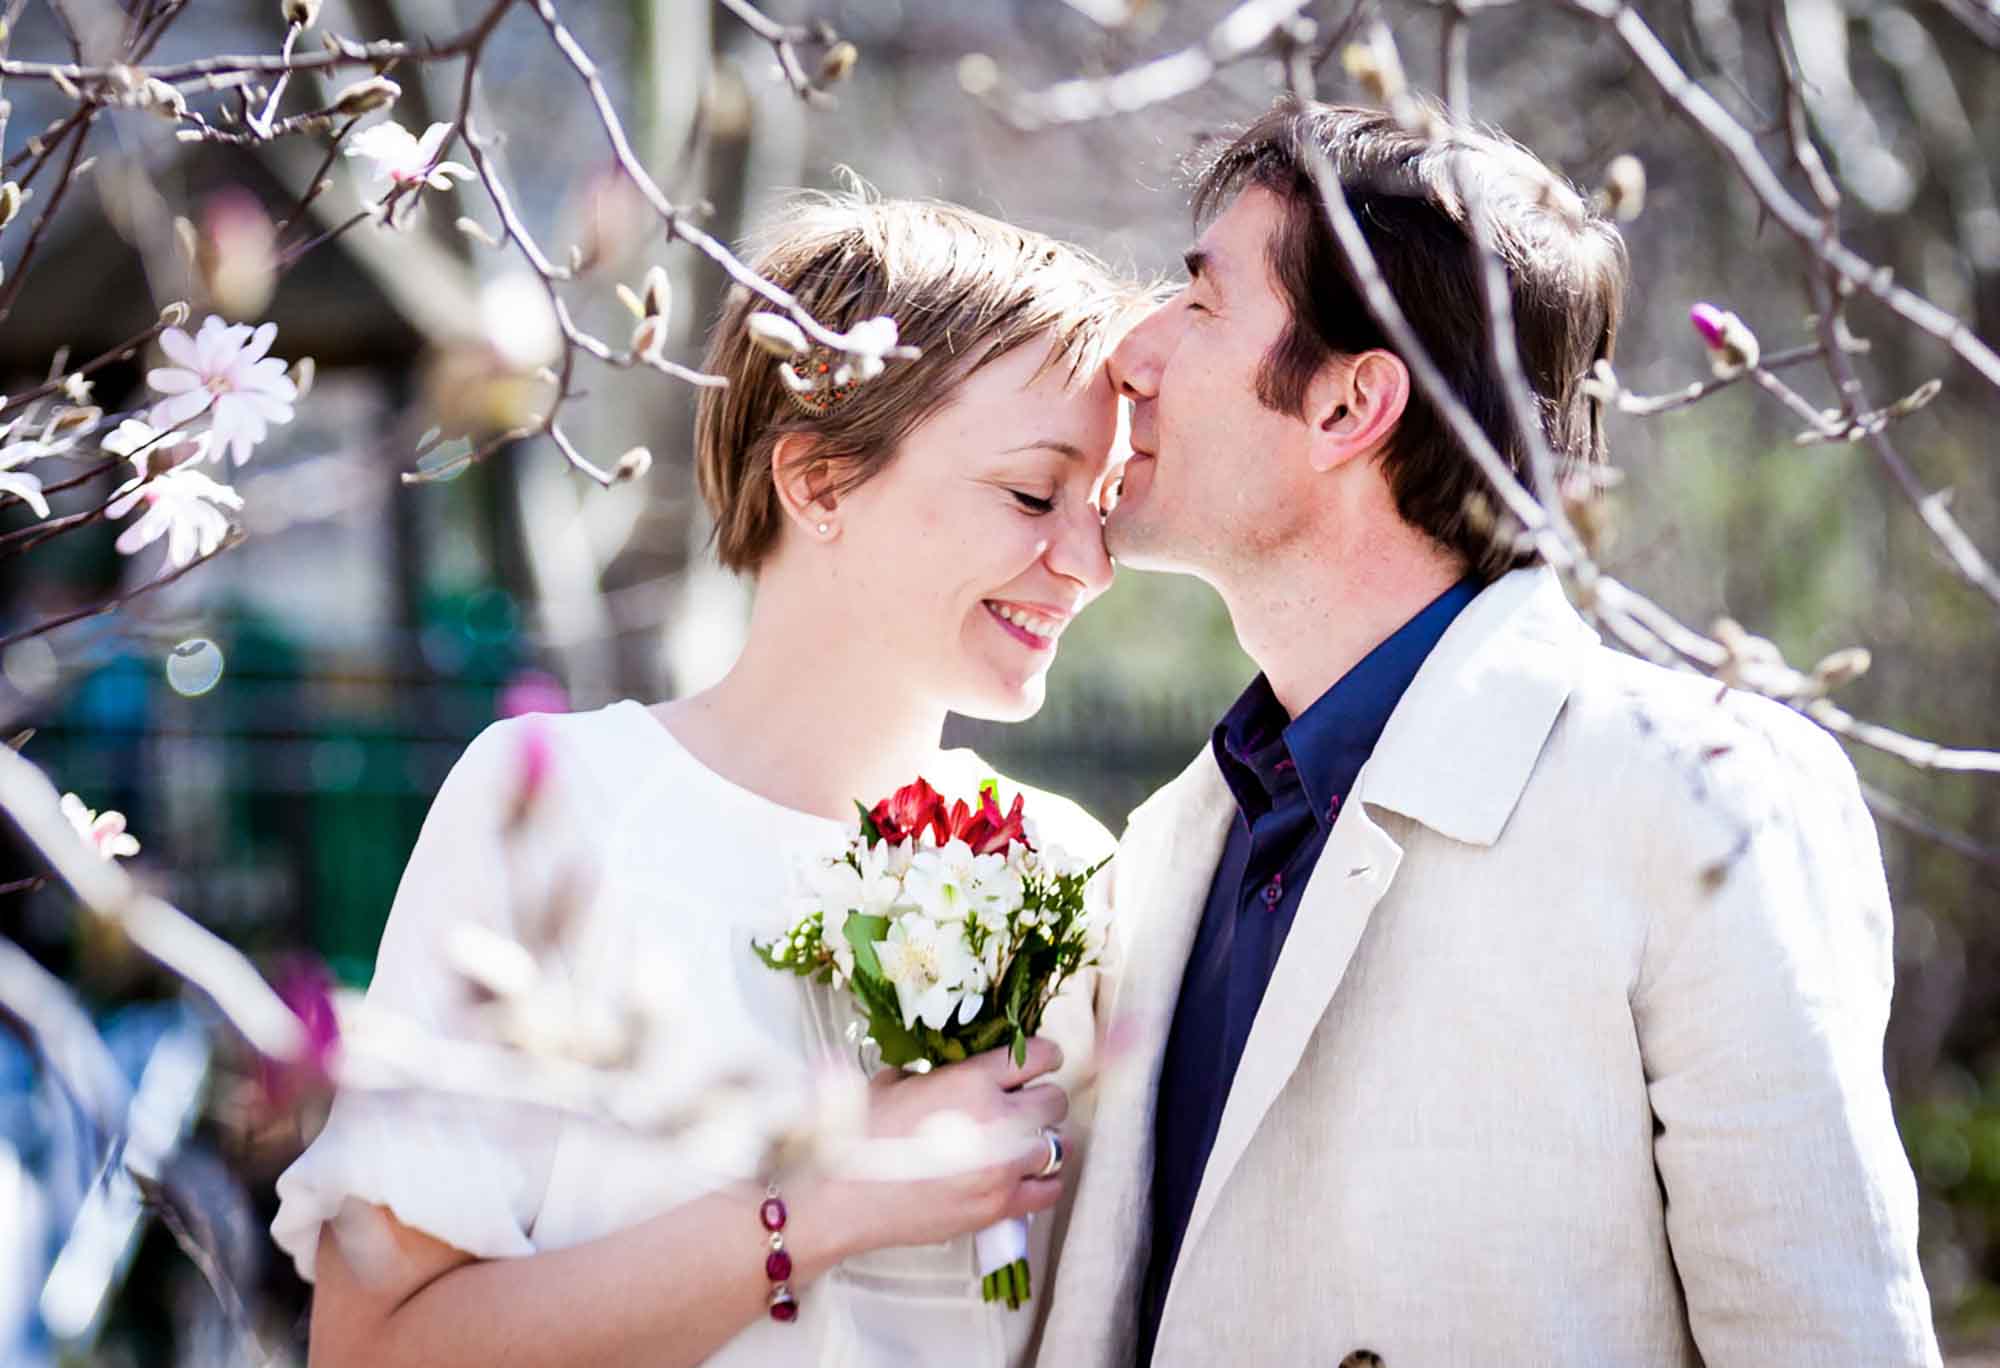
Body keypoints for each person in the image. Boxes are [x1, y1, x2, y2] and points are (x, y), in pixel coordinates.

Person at [1035, 101, 1941, 1366]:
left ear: (1350, 406)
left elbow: (1821, 1334)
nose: (1127, 350)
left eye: (1196, 304)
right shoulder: (1167, 841)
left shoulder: (1698, 793)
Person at [271, 190, 1140, 1368]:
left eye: (1102, 510)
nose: (1086, 565)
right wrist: (822, 1205)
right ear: (819, 481)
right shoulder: (557, 802)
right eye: (1035, 495)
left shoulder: (1079, 872)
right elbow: (375, 1347)